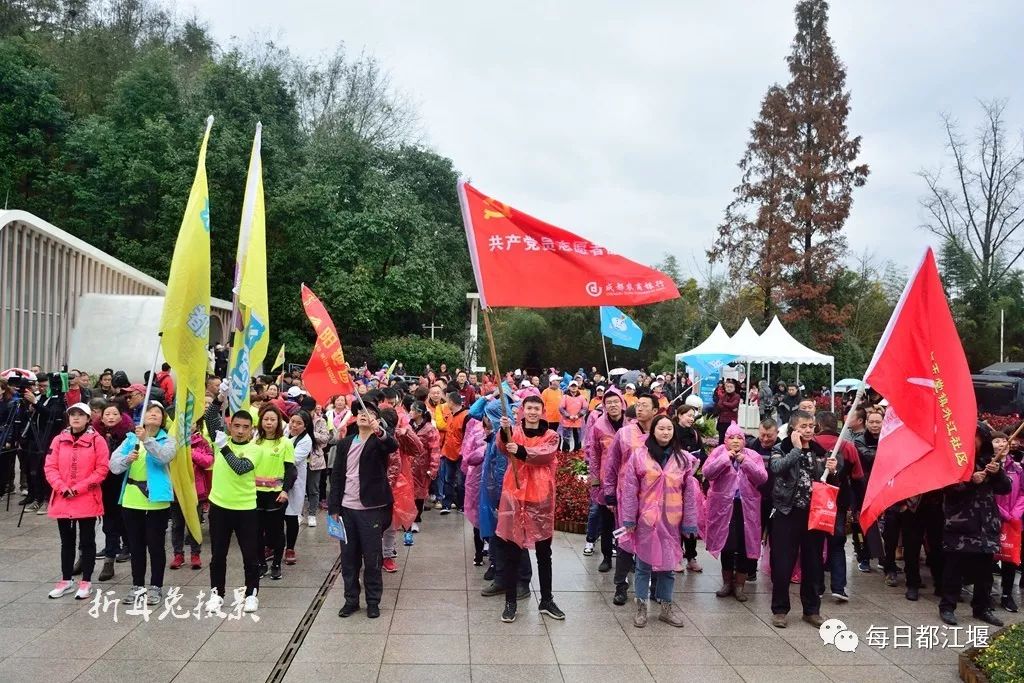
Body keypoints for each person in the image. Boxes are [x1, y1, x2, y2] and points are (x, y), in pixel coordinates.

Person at [619, 414, 699, 627]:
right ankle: (641, 608)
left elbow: (690, 494)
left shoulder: (683, 459)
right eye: (661, 428)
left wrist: (690, 522)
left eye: (669, 429)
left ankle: (666, 608)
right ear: (653, 431)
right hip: (646, 521)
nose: (665, 432)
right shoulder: (639, 456)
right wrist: (628, 518)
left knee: (668, 567)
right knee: (643, 566)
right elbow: (629, 490)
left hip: (671, 522)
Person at [495, 395, 565, 623]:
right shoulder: (513, 431)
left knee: (545, 553)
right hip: (514, 496)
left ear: (542, 410)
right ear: (522, 410)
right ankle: (510, 602)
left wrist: (522, 451)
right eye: (529, 408)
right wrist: (503, 432)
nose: (533, 412)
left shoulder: (552, 435)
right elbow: (503, 448)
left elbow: (546, 454)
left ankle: (546, 599)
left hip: (540, 499)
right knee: (512, 551)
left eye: (536, 408)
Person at [768, 409, 840, 628]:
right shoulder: (781, 448)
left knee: (813, 563)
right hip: (786, 512)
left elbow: (826, 480)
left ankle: (811, 610)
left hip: (814, 514)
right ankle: (780, 610)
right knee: (782, 563)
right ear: (793, 429)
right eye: (803, 427)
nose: (808, 430)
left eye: (811, 426)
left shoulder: (820, 451)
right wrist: (797, 450)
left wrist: (833, 469)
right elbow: (776, 468)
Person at [330, 401, 398, 619]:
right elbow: (337, 476)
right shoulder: (345, 443)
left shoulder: (379, 442)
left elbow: (392, 446)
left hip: (372, 509)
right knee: (348, 559)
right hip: (347, 509)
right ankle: (351, 600)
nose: (362, 415)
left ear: (376, 419)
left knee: (372, 558)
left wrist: (380, 431)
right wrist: (334, 507)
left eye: (368, 412)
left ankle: (373, 601)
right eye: (359, 412)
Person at [939, 424, 1011, 627]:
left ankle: (982, 608)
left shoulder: (990, 461)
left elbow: (1005, 489)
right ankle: (947, 607)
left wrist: (997, 473)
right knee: (953, 569)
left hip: (986, 525)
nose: (974, 440)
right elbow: (947, 489)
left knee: (985, 572)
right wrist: (970, 481)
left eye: (978, 437)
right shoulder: (955, 459)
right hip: (960, 524)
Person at [109, 402, 176, 606]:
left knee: (155, 545)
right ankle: (137, 585)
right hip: (131, 499)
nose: (154, 415)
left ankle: (156, 586)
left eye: (158, 413)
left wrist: (147, 440)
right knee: (136, 545)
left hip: (156, 501)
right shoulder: (130, 439)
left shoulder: (168, 440)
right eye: (150, 412)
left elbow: (163, 458)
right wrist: (127, 459)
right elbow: (113, 465)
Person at [44, 403, 110, 600]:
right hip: (63, 497)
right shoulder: (58, 440)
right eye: (72, 414)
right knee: (66, 541)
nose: (76, 418)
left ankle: (86, 581)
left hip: (86, 497)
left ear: (89, 418)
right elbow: (50, 467)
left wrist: (79, 488)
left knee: (87, 541)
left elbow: (101, 469)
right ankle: (66, 579)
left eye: (81, 415)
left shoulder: (97, 441)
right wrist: (62, 487)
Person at [602, 393, 658, 605]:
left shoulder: (661, 432)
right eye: (638, 405)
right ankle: (621, 585)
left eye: (645, 405)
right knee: (625, 539)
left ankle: (652, 585)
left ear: (655, 410)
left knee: (651, 539)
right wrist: (608, 492)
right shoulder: (624, 434)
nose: (640, 408)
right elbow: (612, 464)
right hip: (626, 494)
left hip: (653, 496)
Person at [703, 422, 768, 603]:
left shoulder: (753, 456)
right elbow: (708, 472)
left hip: (747, 507)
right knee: (727, 544)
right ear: (725, 440)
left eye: (739, 438)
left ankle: (740, 585)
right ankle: (727, 583)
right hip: (724, 507)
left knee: (745, 545)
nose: (735, 441)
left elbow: (762, 477)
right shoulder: (718, 453)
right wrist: (725, 459)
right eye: (731, 438)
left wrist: (744, 462)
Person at [206, 411, 262, 614]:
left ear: (251, 429)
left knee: (250, 555)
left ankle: (251, 595)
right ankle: (216, 594)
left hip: (245, 508)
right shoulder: (220, 438)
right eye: (236, 426)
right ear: (230, 426)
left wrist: (223, 447)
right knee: (218, 554)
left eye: (245, 427)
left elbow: (240, 467)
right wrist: (220, 397)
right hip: (219, 507)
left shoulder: (256, 449)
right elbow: (210, 416)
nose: (240, 431)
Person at [810, 411, 862, 602]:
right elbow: (857, 477)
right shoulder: (848, 447)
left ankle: (817, 587)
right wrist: (857, 504)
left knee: (815, 544)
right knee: (837, 544)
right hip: (839, 500)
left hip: (815, 499)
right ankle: (839, 587)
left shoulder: (811, 443)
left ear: (819, 425)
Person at [584, 387, 625, 572]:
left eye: (616, 401)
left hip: (627, 480)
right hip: (605, 479)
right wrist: (595, 482)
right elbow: (593, 455)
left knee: (626, 520)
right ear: (604, 406)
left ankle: (626, 556)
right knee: (606, 521)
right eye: (609, 403)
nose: (613, 405)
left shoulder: (631, 424)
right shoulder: (598, 426)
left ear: (622, 403)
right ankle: (607, 556)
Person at [254, 405, 297, 581]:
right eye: (266, 419)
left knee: (276, 531)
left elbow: (290, 470)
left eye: (273, 419)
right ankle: (261, 563)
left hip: (276, 494)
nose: (269, 423)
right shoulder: (254, 442)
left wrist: (285, 490)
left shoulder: (285, 442)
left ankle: (276, 563)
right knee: (257, 531)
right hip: (256, 493)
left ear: (278, 422)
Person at [93, 403, 133, 581]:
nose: (110, 417)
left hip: (123, 482)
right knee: (109, 521)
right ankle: (111, 553)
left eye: (114, 413)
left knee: (122, 519)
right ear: (101, 417)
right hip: (103, 483)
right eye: (107, 413)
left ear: (121, 416)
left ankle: (123, 549)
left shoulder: (128, 435)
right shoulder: (94, 436)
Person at [169, 422, 214, 571]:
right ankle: (178, 554)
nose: (189, 425)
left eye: (193, 422)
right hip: (177, 490)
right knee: (177, 525)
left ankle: (195, 554)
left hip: (196, 491)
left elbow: (208, 461)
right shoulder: (172, 441)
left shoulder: (202, 442)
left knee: (194, 523)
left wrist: (191, 453)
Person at [994, 431, 1024, 612]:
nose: (1002, 443)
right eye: (996, 441)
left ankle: (1006, 595)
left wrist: (1015, 513)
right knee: (989, 557)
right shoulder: (989, 466)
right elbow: (988, 495)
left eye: (1005, 440)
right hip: (992, 518)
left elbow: (1022, 492)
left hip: (1013, 520)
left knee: (1009, 558)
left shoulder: (1018, 469)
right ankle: (985, 594)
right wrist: (1003, 513)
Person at [673, 404, 705, 573]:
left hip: (692, 482)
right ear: (679, 415)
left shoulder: (694, 433)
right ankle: (676, 556)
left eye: (693, 416)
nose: (691, 418)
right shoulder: (672, 432)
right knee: (676, 520)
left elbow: (703, 455)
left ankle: (691, 557)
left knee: (691, 519)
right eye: (688, 415)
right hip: (675, 483)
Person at [853, 407, 884, 573]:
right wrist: (886, 452)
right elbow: (867, 456)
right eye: (871, 422)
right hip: (863, 488)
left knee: (883, 525)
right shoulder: (859, 440)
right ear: (866, 423)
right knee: (862, 525)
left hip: (883, 486)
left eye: (878, 422)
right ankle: (863, 557)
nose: (874, 425)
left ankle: (884, 558)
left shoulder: (888, 438)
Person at [284, 410, 313, 565]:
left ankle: (290, 548)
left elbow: (293, 459)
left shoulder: (306, 440)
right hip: (277, 480)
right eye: (292, 421)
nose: (294, 425)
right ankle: (271, 545)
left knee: (291, 516)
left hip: (295, 483)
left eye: (298, 423)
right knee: (274, 516)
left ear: (305, 426)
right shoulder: (285, 433)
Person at [408, 400, 440, 533]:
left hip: (422, 467)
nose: (410, 412)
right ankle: (408, 519)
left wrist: (433, 467)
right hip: (408, 465)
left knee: (419, 495)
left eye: (412, 410)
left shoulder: (429, 429)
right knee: (408, 493)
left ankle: (416, 519)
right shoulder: (408, 426)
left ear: (420, 413)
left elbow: (435, 449)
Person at [439, 391, 468, 514]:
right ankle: (447, 504)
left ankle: (462, 505)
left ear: (451, 402)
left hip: (460, 454)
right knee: (448, 479)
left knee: (461, 481)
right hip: (449, 452)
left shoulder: (466, 416)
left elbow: (467, 437)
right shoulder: (451, 415)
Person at [558, 381, 588, 452]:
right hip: (567, 421)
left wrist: (578, 415)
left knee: (578, 439)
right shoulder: (565, 397)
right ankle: (565, 455)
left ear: (577, 387)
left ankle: (577, 454)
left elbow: (585, 408)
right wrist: (568, 416)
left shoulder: (581, 397)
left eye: (575, 386)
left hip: (578, 421)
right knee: (566, 439)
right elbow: (561, 408)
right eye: (572, 386)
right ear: (569, 387)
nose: (574, 388)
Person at [715, 379, 741, 445]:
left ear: (734, 388)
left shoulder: (737, 396)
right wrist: (729, 407)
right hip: (722, 420)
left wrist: (724, 403)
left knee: (730, 439)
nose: (729, 388)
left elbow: (733, 405)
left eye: (731, 387)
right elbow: (719, 405)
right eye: (727, 387)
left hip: (731, 421)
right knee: (721, 439)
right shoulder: (723, 395)